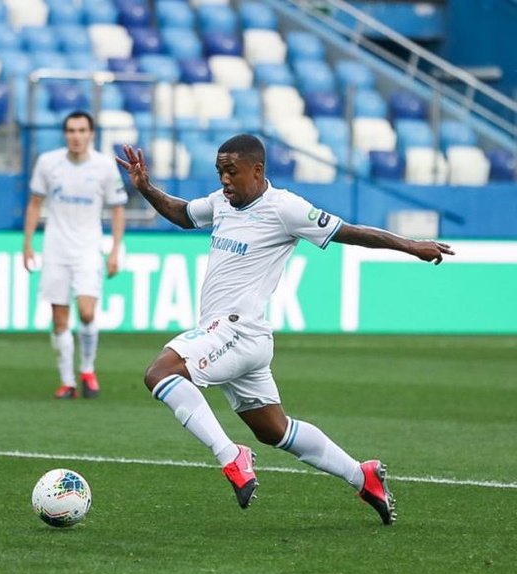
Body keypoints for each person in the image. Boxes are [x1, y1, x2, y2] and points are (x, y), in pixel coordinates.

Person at [117, 135, 454, 525]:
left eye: (232, 171)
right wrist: (146, 188)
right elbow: (183, 214)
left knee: (160, 373)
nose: (225, 180)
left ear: (257, 171)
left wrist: (411, 246)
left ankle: (231, 456)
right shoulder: (222, 203)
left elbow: (351, 231)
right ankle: (361, 476)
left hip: (235, 331)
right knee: (275, 430)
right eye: (220, 172)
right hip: (241, 339)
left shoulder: (285, 208)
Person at [23, 110, 127, 399]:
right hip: (55, 248)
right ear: (65, 134)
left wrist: (116, 249)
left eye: (82, 131)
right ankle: (68, 381)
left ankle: (88, 369)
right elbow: (34, 204)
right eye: (71, 131)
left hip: (88, 249)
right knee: (59, 319)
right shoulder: (48, 163)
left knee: (87, 312)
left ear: (91, 134)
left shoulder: (105, 166)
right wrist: (27, 243)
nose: (76, 136)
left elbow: (117, 209)